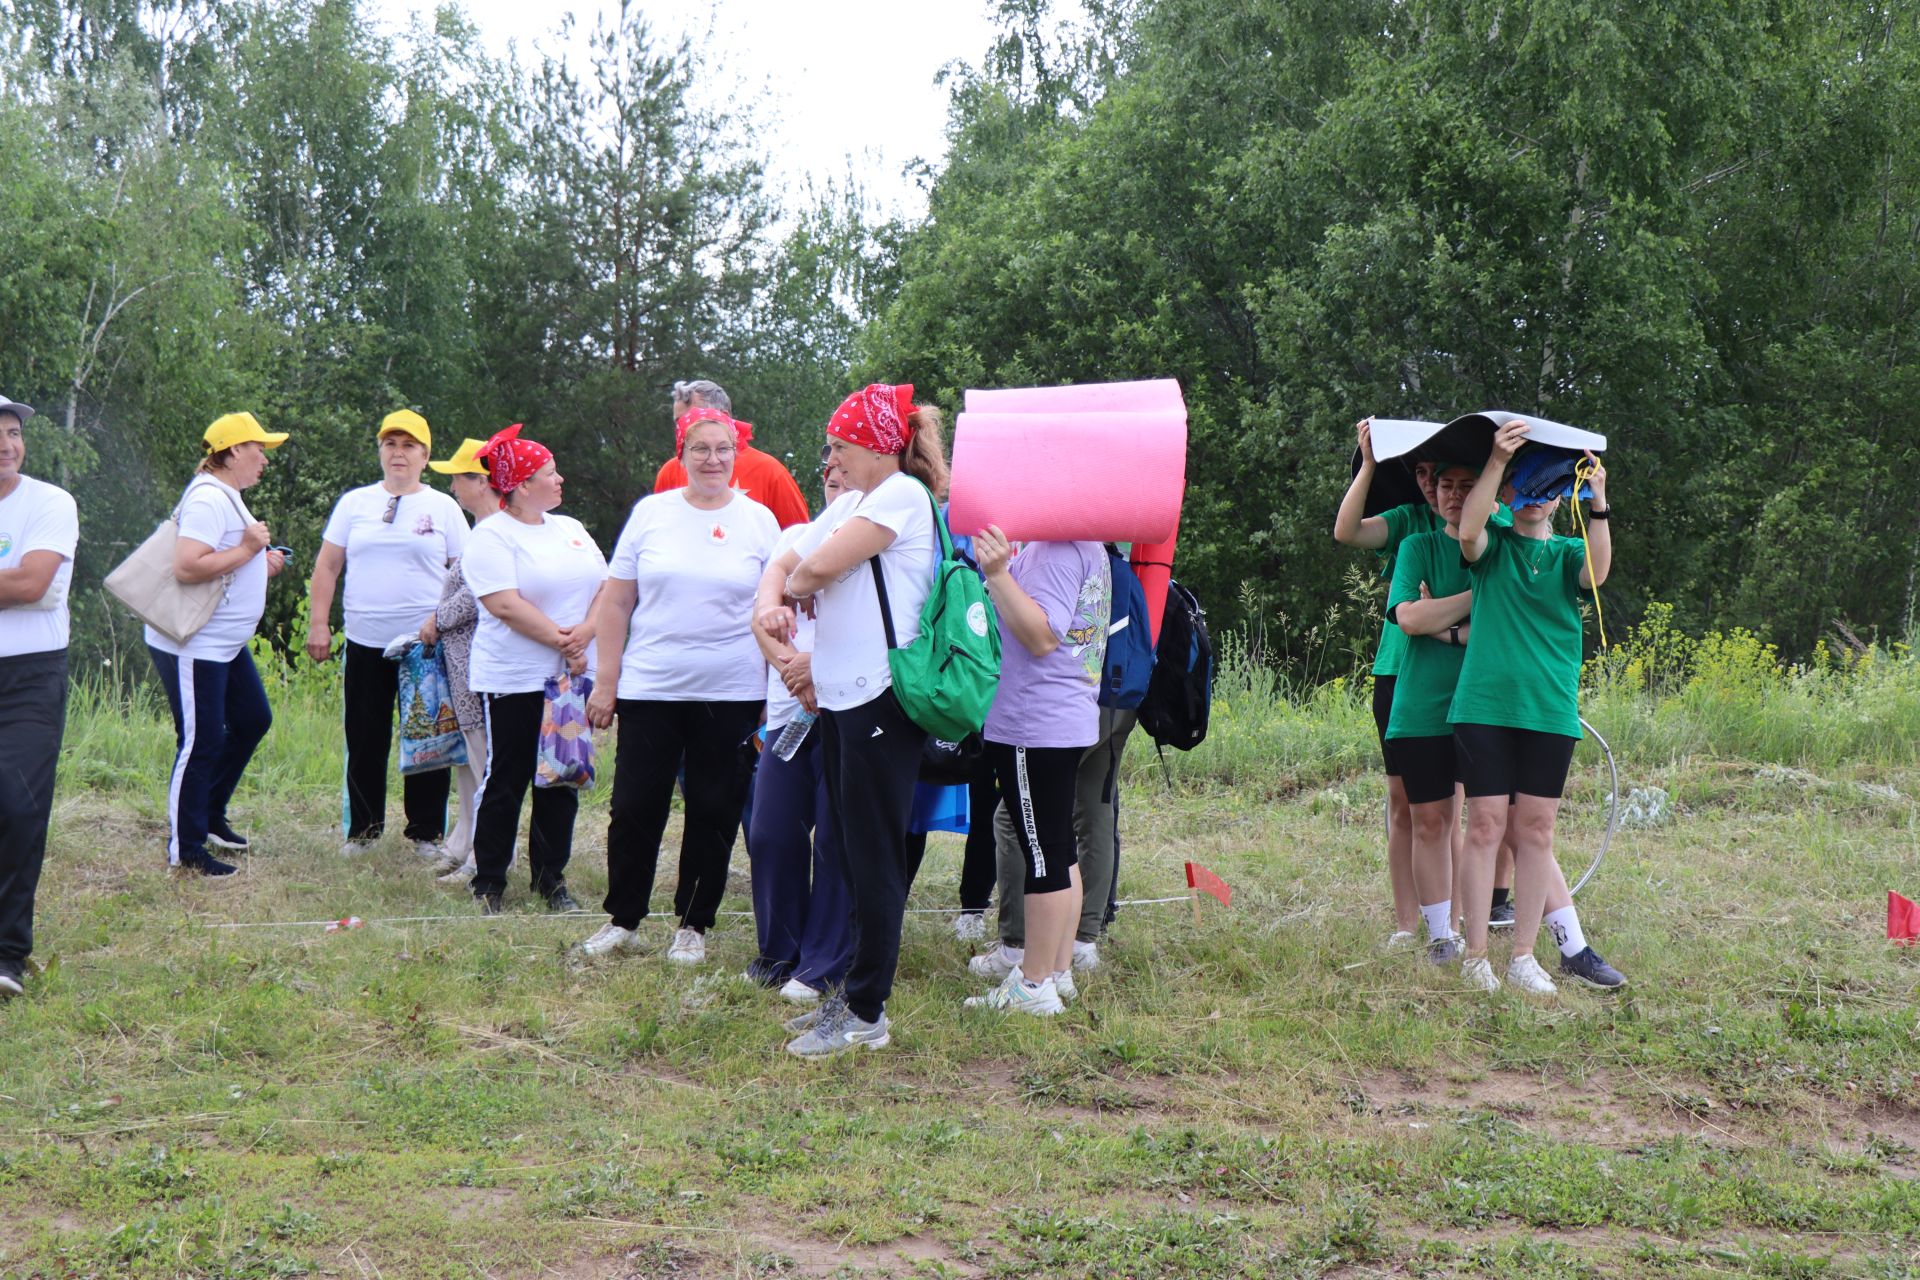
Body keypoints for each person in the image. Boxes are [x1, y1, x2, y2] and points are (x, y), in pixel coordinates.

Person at [753, 382, 947, 1057]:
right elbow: (787, 564)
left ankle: (867, 1013)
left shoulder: (899, 494)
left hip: (877, 701)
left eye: (839, 446)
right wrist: (783, 592)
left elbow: (811, 570)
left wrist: (795, 589)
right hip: (840, 700)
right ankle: (851, 997)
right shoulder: (862, 501)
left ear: (874, 446)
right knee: (847, 853)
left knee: (873, 859)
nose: (831, 459)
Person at [579, 409, 779, 962]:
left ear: (736, 454)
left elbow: (775, 606)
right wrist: (606, 681)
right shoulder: (651, 514)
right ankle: (623, 919)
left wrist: (772, 687)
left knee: (714, 808)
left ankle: (693, 925)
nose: (713, 459)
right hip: (651, 686)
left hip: (732, 687)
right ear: (681, 455)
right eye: (701, 449)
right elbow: (617, 602)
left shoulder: (759, 521)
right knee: (635, 805)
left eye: (723, 449)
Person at [1451, 420, 1627, 993]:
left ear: (1561, 496)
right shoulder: (1492, 546)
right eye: (1523, 490)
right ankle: (1476, 955)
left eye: (1547, 489)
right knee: (1484, 825)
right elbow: (1468, 531)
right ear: (1507, 497)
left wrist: (1598, 501)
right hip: (1484, 707)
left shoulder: (1569, 551)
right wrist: (1498, 463)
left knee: (1536, 831)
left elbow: (1597, 572)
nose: (1535, 501)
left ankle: (1524, 956)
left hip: (1548, 709)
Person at [1336, 420, 1515, 939]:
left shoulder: (1486, 527)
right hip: (1401, 673)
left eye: (1456, 480)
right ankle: (1409, 924)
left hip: (1471, 680)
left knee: (1462, 805)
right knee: (1408, 805)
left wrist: (1437, 618)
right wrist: (1369, 464)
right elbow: (1348, 533)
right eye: (1424, 474)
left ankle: (1457, 919)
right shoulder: (1412, 524)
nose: (1436, 487)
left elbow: (1501, 598)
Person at [305, 411, 468, 859]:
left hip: (424, 645)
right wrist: (320, 623)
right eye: (390, 444)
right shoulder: (355, 503)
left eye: (409, 445)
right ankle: (362, 831)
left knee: (427, 738)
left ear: (425, 456)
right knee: (364, 734)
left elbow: (465, 573)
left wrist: (446, 624)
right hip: (364, 638)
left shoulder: (444, 507)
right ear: (380, 451)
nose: (399, 452)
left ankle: (425, 834)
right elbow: (327, 566)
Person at [962, 529, 1109, 1015]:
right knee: (1057, 845)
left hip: (1034, 723)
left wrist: (998, 574)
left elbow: (1043, 635)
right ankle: (1057, 969)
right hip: (1059, 719)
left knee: (1042, 853)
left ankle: (1032, 984)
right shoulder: (1084, 545)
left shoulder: (1055, 551)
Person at [461, 425, 606, 915]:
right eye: (550, 472)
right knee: (509, 777)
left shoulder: (571, 529)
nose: (560, 479)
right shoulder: (491, 536)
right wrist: (564, 641)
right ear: (522, 485)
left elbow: (607, 587)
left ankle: (551, 880)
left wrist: (586, 632)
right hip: (515, 677)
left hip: (571, 675)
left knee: (561, 777)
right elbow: (504, 603)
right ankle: (489, 882)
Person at [146, 412, 290, 878]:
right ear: (231, 452)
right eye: (257, 449)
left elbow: (219, 560)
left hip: (223, 644)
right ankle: (186, 849)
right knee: (200, 740)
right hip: (196, 644)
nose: (263, 458)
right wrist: (248, 551)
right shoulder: (209, 498)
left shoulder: (227, 496)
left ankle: (207, 816)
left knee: (251, 719)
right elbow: (188, 567)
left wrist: (255, 563)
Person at [743, 459, 854, 1001]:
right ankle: (778, 951)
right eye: (830, 482)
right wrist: (791, 667)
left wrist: (819, 669)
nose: (838, 489)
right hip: (792, 711)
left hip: (850, 709)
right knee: (771, 830)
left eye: (847, 481)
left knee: (838, 838)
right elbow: (761, 617)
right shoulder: (796, 538)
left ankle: (824, 963)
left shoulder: (879, 541)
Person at [1383, 460, 1484, 966]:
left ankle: (1466, 927)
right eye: (1446, 485)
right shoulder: (1416, 547)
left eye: (1468, 486)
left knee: (1472, 820)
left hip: (1481, 704)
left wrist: (1437, 615)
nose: (1454, 495)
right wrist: (1474, 602)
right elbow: (1408, 617)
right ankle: (1440, 935)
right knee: (1429, 821)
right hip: (1420, 704)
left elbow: (1508, 620)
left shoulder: (1500, 542)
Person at [0, 395, 78, 997]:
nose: (6, 443)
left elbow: (32, 583)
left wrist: (24, 583)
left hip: (30, 675)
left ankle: (6, 954)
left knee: (19, 808)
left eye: (13, 432)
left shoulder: (51, 502)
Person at [421, 437, 497, 884]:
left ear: (482, 481)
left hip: (478, 661)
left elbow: (480, 591)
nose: (452, 487)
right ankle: (462, 841)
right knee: (468, 759)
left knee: (483, 758)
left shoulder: (497, 530)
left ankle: (481, 855)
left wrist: (437, 617)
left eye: (459, 477)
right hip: (462, 660)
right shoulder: (480, 531)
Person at [653, 379, 810, 528]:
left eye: (693, 421)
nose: (683, 429)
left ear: (724, 417)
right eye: (678, 422)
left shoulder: (770, 472)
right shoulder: (669, 472)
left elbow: (800, 543)